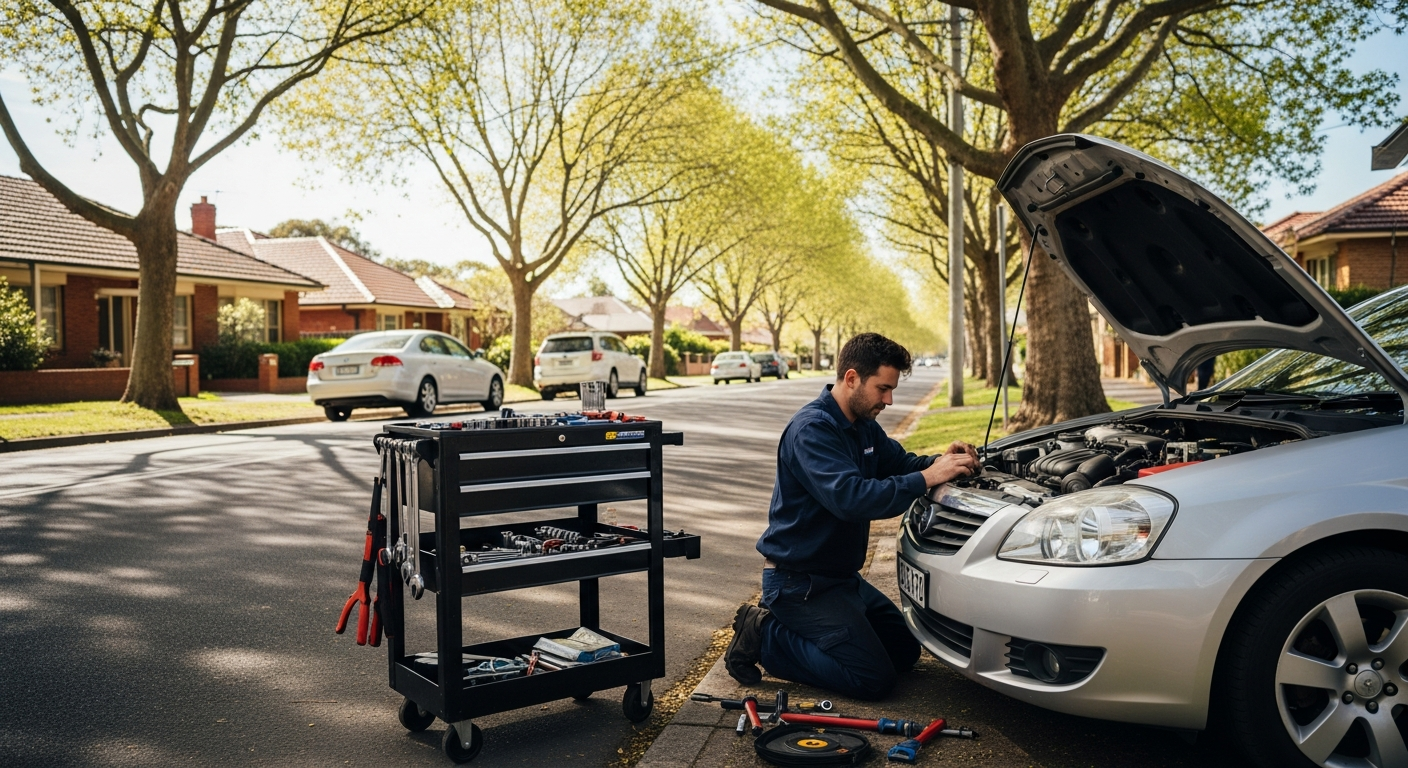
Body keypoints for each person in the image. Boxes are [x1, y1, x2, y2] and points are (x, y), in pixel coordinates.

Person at [723, 333, 981, 700]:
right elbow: (852, 499)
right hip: (800, 584)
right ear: (851, 378)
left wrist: (943, 463)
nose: (889, 400)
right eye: (883, 389)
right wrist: (928, 478)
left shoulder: (862, 424)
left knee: (905, 654)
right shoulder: (812, 429)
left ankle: (819, 633)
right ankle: (764, 633)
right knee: (873, 680)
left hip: (842, 580)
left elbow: (902, 464)